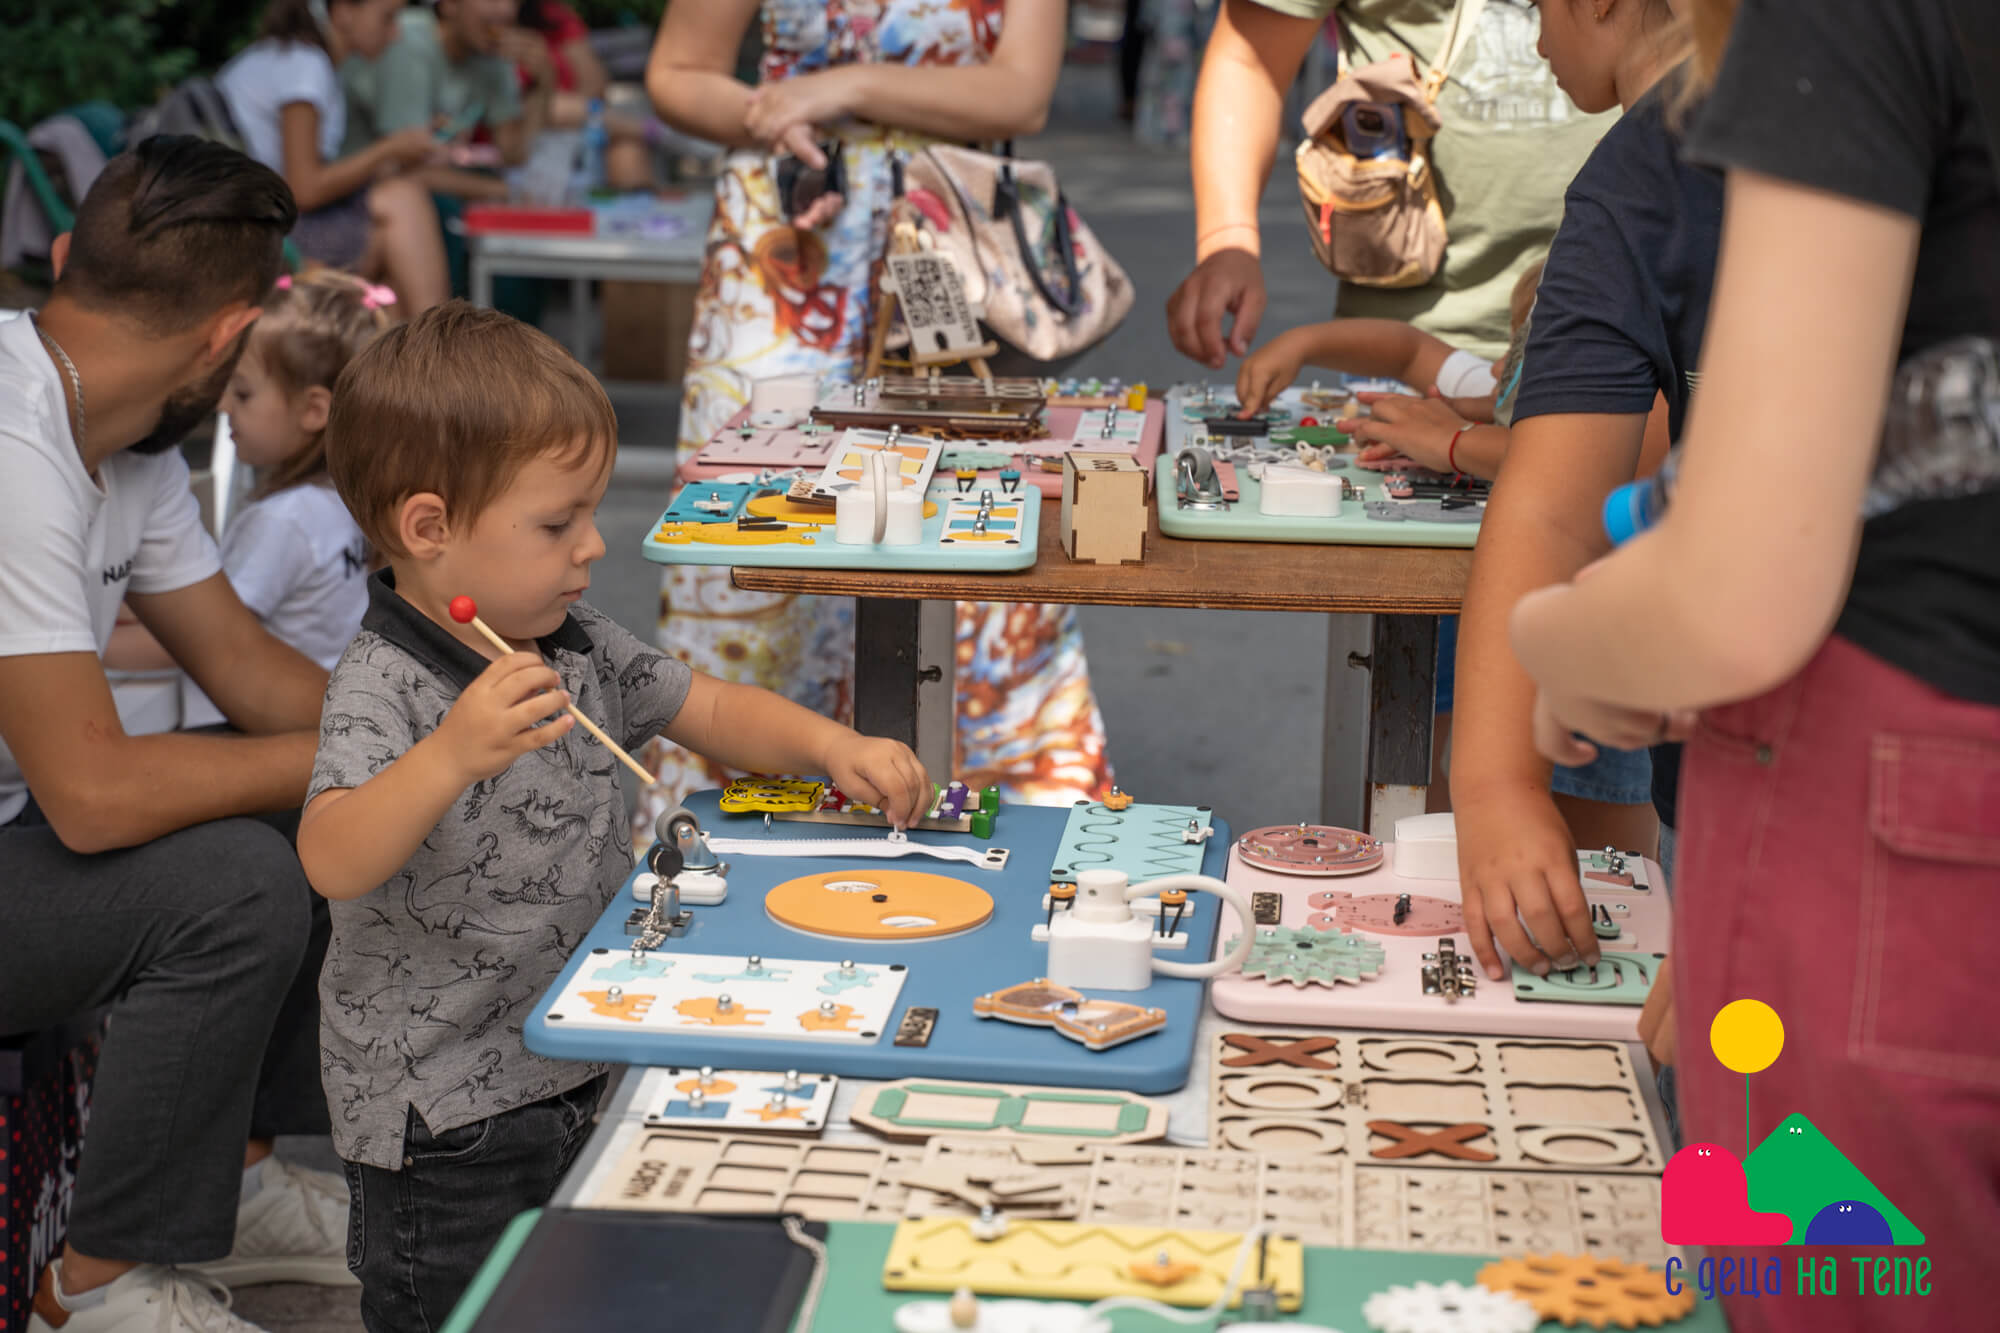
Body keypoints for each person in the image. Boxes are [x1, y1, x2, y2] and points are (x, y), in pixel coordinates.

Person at [296, 301, 931, 1330]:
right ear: (429, 528)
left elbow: (707, 706)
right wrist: (450, 753)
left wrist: (831, 746)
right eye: (556, 523)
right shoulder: (385, 686)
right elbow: (331, 856)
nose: (592, 545)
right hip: (444, 1119)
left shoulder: (571, 640)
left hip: (586, 1063)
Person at [1509, 0, 2000, 1322]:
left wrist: (1559, 644)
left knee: (1817, 1286)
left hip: (1893, 829)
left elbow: (1736, 581)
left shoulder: (1833, 27)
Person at [0, 137, 349, 1333]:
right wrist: (377, 758)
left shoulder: (119, 428)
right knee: (235, 882)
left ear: (64, 260)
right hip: (37, 821)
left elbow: (248, 669)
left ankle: (234, 1191)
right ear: (227, 339)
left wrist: (427, 724)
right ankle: (92, 1291)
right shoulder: (13, 448)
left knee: (315, 811)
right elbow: (94, 794)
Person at [638, 0, 1115, 829]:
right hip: (789, 247)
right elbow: (677, 76)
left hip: (950, 245)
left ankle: (1007, 862)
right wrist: (768, 115)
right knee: (752, 547)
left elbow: (1022, 93)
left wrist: (837, 88)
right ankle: (716, 862)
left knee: (980, 538)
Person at [1449, 0, 1707, 992]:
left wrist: (1495, 783)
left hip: (1798, 797)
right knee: (1777, 1117)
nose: (1535, 40)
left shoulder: (1644, 181)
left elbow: (1552, 503)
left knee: (1757, 1124)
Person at [1168, 0, 1615, 369]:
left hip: (1619, 335)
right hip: (1409, 347)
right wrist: (1228, 240)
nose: (1539, 44)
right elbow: (1249, 60)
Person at [172, 269, 394, 727]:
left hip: (255, 733)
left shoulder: (282, 521)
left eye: (244, 392)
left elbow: (208, 639)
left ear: (314, 410)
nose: (223, 406)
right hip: (335, 719)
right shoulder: (359, 503)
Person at [217, 0, 450, 312]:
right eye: (387, 18)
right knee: (404, 203)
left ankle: (425, 345)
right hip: (255, 235)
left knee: (397, 261)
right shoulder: (306, 66)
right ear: (343, 13)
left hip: (256, 222)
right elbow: (304, 188)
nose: (395, 34)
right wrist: (390, 148)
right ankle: (441, 344)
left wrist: (397, 153)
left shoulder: (296, 57)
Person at [340, 0, 555, 203]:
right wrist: (506, 191)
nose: (506, 10)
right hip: (355, 191)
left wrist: (542, 85)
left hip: (413, 186)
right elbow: (403, 169)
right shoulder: (408, 41)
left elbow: (513, 153)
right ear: (449, 5)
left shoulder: (492, 55)